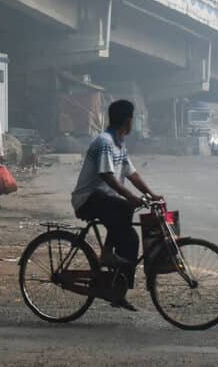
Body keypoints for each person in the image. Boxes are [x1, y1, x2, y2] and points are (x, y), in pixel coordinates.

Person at [71, 99, 162, 312]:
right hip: (88, 199)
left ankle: (117, 291)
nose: (135, 122)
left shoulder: (119, 142)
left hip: (105, 200)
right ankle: (108, 253)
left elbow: (132, 174)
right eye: (134, 118)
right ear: (127, 120)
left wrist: (152, 195)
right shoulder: (104, 141)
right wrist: (131, 197)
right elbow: (107, 175)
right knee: (124, 208)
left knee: (130, 240)